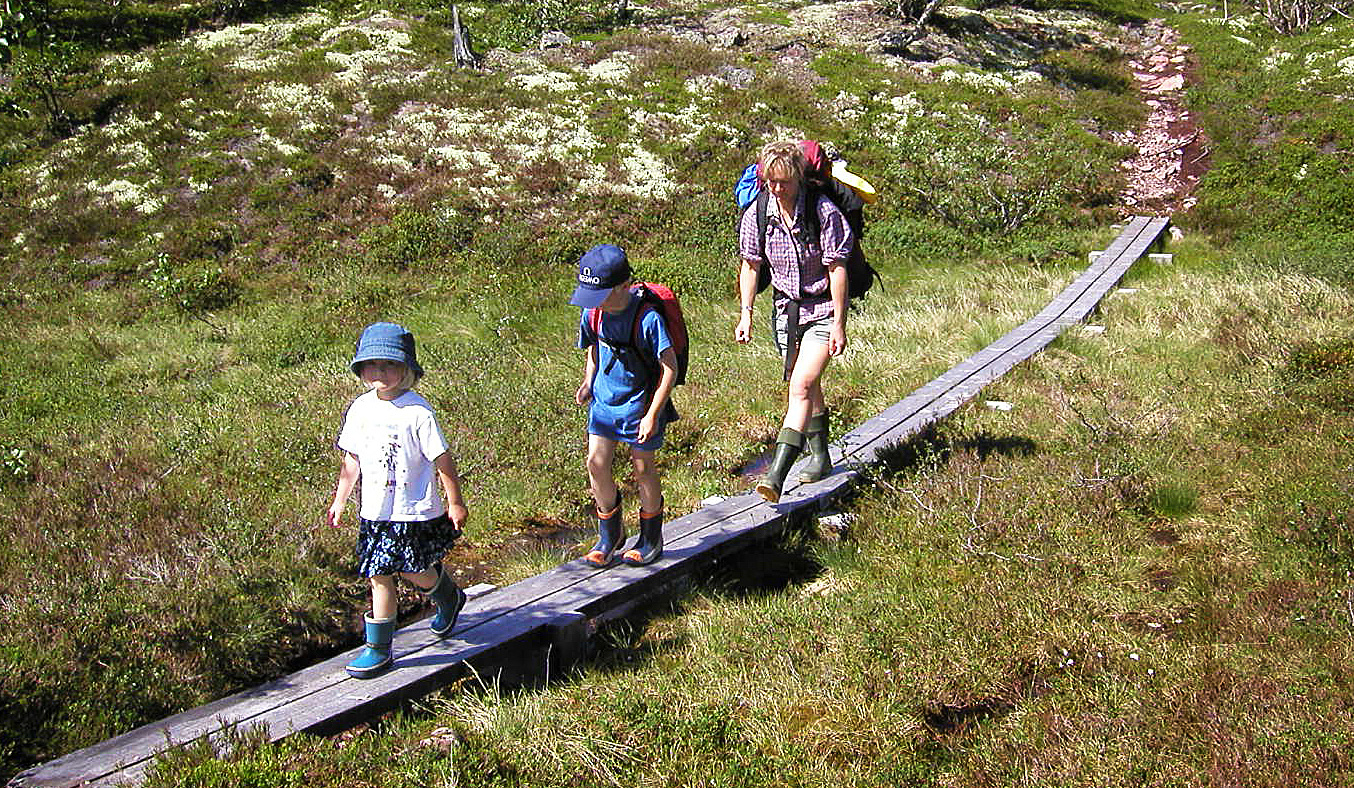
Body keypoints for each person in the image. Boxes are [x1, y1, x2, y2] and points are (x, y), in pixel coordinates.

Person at [326, 322, 469, 679]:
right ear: (362, 370)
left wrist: (455, 502)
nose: (380, 372)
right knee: (379, 573)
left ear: (406, 369)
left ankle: (448, 596)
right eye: (372, 365)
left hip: (412, 510)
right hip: (375, 511)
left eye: (389, 365)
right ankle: (379, 648)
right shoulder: (360, 409)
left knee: (412, 568)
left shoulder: (418, 413)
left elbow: (443, 460)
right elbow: (352, 459)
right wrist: (341, 500)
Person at [735, 140, 854, 503]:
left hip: (822, 311)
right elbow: (751, 264)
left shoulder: (824, 212)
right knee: (809, 386)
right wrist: (746, 314)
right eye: (769, 181)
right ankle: (820, 457)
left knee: (800, 386)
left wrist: (839, 323)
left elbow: (837, 267)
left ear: (799, 178)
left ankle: (776, 474)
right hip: (786, 313)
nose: (776, 189)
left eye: (783, 181)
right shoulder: (759, 212)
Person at [571, 244, 679, 568]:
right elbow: (592, 347)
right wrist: (589, 380)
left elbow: (669, 367)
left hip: (639, 406)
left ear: (622, 286)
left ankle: (650, 538)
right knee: (596, 464)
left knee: (643, 469)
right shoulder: (593, 311)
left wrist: (652, 415)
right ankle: (610, 535)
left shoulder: (647, 318)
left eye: (601, 293)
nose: (594, 301)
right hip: (604, 404)